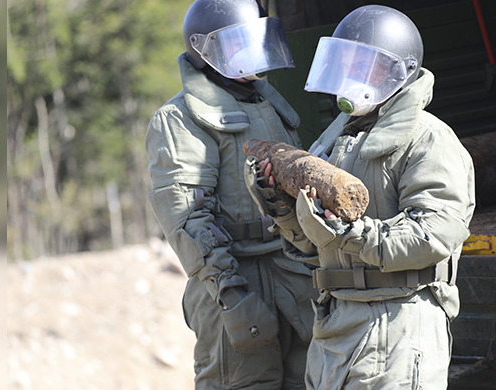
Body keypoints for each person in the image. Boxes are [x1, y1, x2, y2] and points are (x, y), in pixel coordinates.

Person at [245, 5, 476, 389]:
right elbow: (316, 245)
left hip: (397, 322)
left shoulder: (428, 139)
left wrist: (350, 233)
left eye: (363, 66)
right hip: (337, 323)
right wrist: (285, 210)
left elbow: (433, 235)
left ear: (397, 73)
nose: (350, 77)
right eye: (346, 65)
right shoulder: (344, 142)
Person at [145, 0, 318, 388]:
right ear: (206, 50)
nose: (251, 51)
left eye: (254, 40)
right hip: (235, 280)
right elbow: (188, 221)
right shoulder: (180, 118)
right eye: (238, 43)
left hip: (291, 273)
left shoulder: (266, 100)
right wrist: (231, 295)